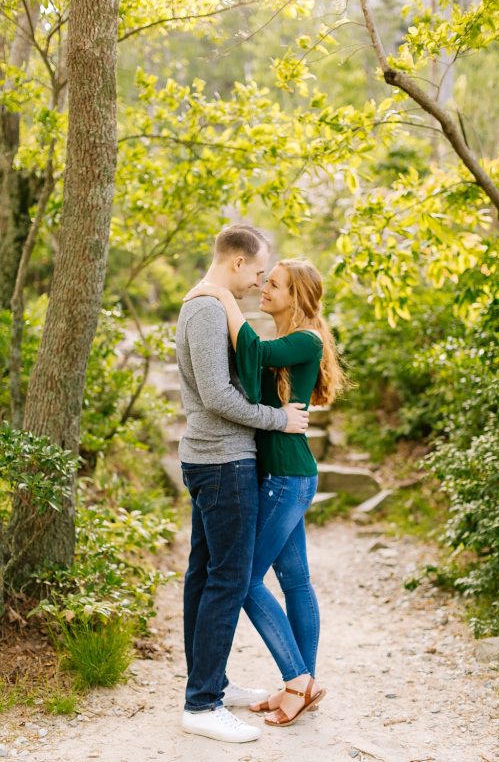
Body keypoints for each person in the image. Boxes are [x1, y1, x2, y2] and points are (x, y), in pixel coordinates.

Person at [185, 258, 348, 727]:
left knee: (245, 580)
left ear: (295, 295)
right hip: (282, 475)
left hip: (285, 478)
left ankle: (298, 679)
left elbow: (251, 352)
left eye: (272, 285)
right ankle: (302, 687)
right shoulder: (285, 341)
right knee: (295, 580)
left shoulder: (307, 339)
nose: (263, 289)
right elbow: (250, 368)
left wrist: (222, 298)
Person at [176, 225, 310, 743]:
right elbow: (215, 395)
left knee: (204, 576)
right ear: (236, 264)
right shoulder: (208, 309)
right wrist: (278, 420)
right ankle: (202, 704)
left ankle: (208, 685)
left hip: (212, 458)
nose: (258, 283)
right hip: (224, 462)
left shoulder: (203, 304)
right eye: (257, 272)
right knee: (229, 580)